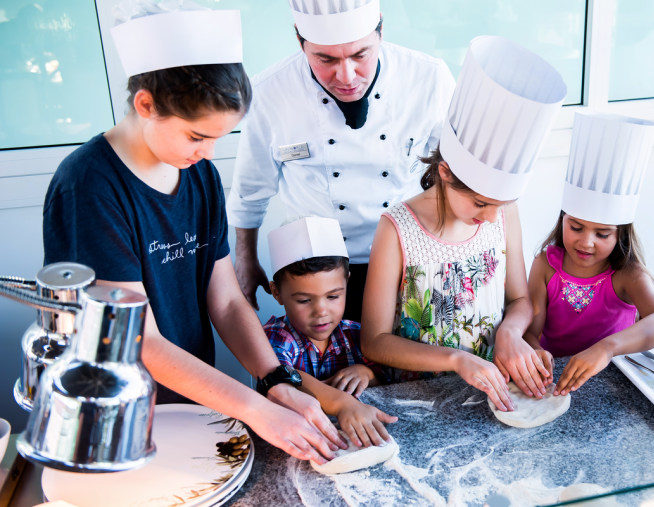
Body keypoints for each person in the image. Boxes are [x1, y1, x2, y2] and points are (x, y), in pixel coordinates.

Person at [42, 4, 345, 464]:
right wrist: (258, 411)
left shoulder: (197, 175)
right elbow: (137, 340)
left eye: (220, 138)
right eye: (197, 136)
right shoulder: (89, 187)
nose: (209, 153)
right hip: (117, 416)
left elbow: (224, 300)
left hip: (189, 402)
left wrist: (277, 380)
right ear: (146, 104)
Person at [360, 36, 568, 410]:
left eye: (500, 205)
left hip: (491, 389)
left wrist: (510, 333)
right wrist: (455, 359)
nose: (491, 216)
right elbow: (374, 341)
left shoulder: (504, 211)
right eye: (480, 203)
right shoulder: (396, 229)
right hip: (420, 399)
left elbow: (520, 299)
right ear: (445, 172)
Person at [226, 0, 456, 321]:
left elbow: (452, 179)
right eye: (325, 59)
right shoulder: (268, 93)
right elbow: (251, 190)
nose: (346, 76)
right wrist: (246, 258)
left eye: (360, 55)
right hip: (317, 272)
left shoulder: (428, 79)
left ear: (381, 30)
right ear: (299, 42)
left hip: (408, 260)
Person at [523, 112, 654, 396]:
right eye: (576, 227)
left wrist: (606, 348)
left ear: (620, 234)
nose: (587, 242)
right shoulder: (546, 263)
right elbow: (531, 328)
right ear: (563, 220)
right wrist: (535, 350)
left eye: (602, 234)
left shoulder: (627, 274)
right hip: (554, 381)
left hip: (613, 381)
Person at [265, 216, 396, 447]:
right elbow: (279, 374)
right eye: (304, 300)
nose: (321, 311)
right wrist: (342, 403)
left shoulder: (355, 335)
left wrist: (366, 373)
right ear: (276, 293)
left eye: (333, 296)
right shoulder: (276, 337)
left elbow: (387, 376)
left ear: (347, 282)